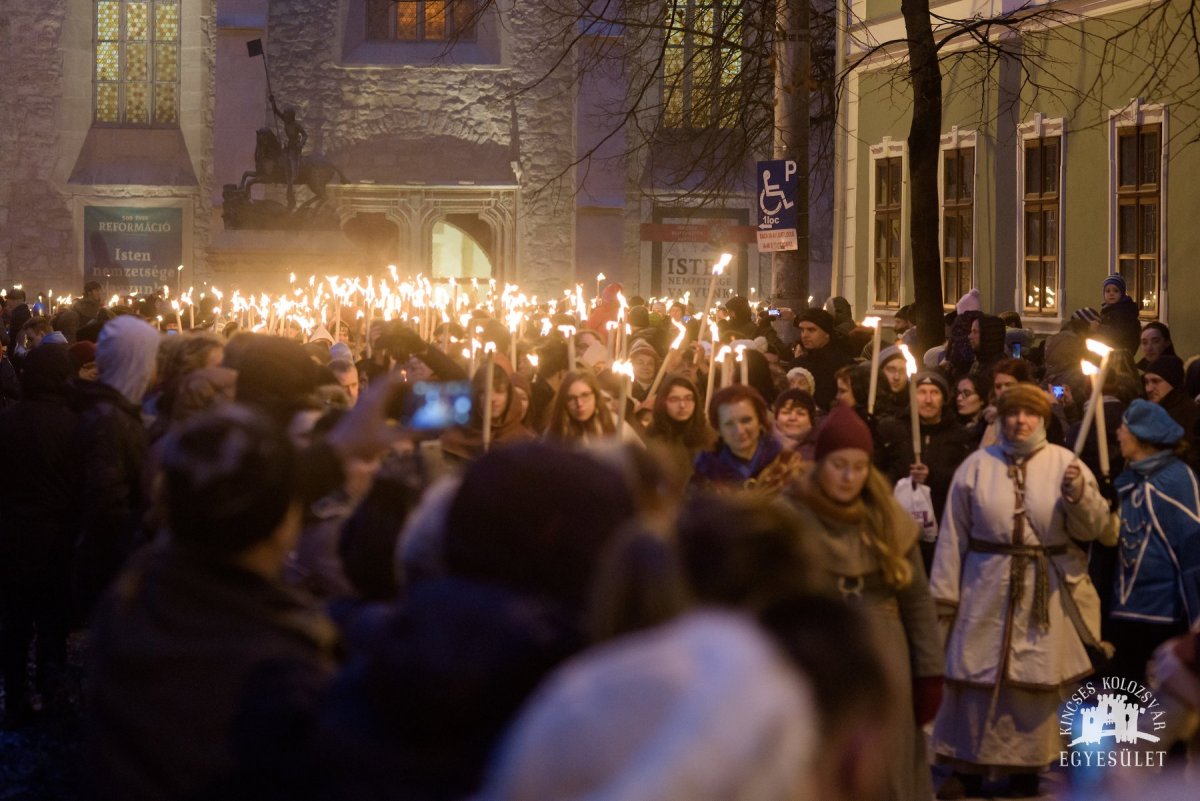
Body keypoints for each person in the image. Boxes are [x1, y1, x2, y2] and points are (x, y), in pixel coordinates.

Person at [929, 383, 1110, 798]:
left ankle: (1028, 771)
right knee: (977, 674)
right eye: (1013, 413)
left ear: (1042, 419)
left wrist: (1079, 496)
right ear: (1003, 417)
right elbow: (953, 536)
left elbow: (1092, 529)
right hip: (984, 585)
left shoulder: (1067, 465)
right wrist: (944, 595)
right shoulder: (976, 465)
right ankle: (969, 768)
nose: (1020, 421)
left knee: (1034, 680)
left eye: (1029, 414)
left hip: (1040, 591)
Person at [786, 405, 943, 801]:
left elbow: (918, 604)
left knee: (885, 769)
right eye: (839, 464)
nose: (848, 476)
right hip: (819, 658)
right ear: (821, 463)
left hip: (885, 658)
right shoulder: (791, 517)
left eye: (858, 466)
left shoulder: (889, 520)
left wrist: (928, 675)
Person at [0, 345, 79, 727]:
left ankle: (13, 696)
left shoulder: (7, 421)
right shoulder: (73, 425)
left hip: (11, 538)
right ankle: (52, 694)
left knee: (14, 622)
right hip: (55, 541)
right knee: (52, 622)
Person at [72, 315, 161, 616]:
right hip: (110, 562)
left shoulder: (114, 410)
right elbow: (106, 502)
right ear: (135, 362)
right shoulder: (109, 420)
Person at [1109, 400, 1200, 684]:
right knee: (1125, 704)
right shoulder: (1128, 478)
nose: (1117, 434)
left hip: (1162, 615)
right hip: (1124, 613)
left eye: (1123, 428)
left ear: (1139, 434)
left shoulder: (1175, 479)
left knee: (1156, 711)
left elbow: (1192, 550)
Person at [875, 370, 976, 570]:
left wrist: (933, 476)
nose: (928, 400)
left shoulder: (959, 436)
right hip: (898, 529)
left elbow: (965, 477)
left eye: (934, 393)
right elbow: (878, 471)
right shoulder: (892, 430)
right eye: (922, 392)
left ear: (944, 399)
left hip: (943, 530)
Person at [690, 384, 803, 497]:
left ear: (760, 421)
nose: (740, 431)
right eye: (729, 424)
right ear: (719, 429)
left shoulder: (787, 466)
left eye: (746, 420)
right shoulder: (707, 473)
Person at [441, 364, 535, 462]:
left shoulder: (525, 441)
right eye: (485, 392)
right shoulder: (454, 439)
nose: (493, 399)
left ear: (509, 396)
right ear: (475, 396)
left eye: (500, 391)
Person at [644, 374, 715, 485]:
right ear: (663, 402)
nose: (682, 405)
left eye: (688, 398)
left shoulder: (709, 435)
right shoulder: (651, 437)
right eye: (674, 399)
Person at [1142, 354, 1200, 469]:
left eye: (1155, 381)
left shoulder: (1191, 415)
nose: (1149, 388)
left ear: (1173, 382)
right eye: (1146, 382)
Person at [792, 309, 854, 411]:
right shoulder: (798, 363)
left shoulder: (844, 365)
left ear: (827, 333)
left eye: (811, 330)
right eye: (802, 330)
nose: (804, 335)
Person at [544, 369, 617, 446]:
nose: (579, 403)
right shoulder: (555, 432)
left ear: (595, 396)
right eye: (571, 398)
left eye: (585, 395)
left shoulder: (616, 424)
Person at [1098, 273, 1141, 354]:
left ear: (1122, 293)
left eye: (1116, 291)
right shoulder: (1106, 311)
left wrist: (1098, 328)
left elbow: (1117, 333)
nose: (1111, 294)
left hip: (1120, 354)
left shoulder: (1125, 312)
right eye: (1108, 291)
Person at [772, 388, 818, 460]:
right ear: (776, 417)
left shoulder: (821, 452)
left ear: (811, 420)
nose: (792, 418)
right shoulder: (760, 448)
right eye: (786, 412)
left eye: (800, 414)